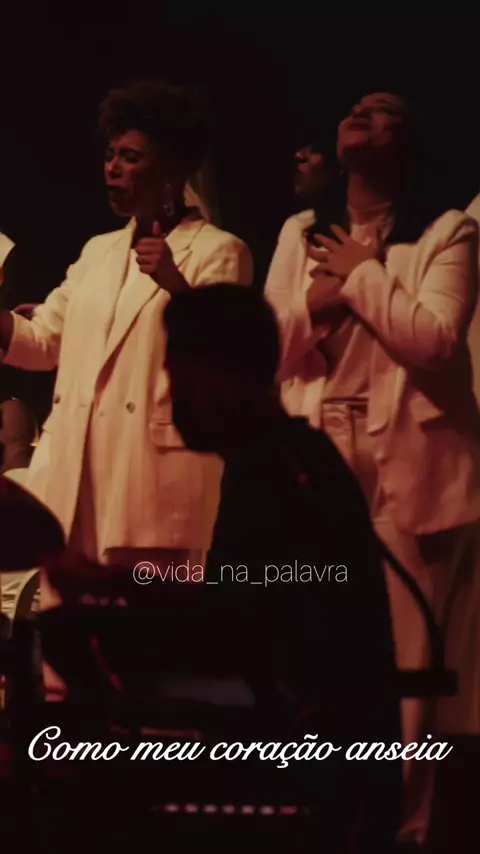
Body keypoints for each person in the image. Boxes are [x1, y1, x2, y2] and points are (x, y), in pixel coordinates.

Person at [265, 91, 480, 848]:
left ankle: (406, 829)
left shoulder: (446, 232)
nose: (363, 111)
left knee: (406, 660)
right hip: (316, 455)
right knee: (317, 644)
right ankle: (324, 814)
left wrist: (361, 275)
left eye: (384, 109)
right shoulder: (301, 231)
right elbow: (270, 343)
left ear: (410, 142)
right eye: (357, 105)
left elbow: (434, 342)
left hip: (402, 465)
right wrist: (324, 303)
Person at [0, 79, 253, 685]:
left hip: (150, 478)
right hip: (74, 477)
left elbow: (227, 355)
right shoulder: (98, 252)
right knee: (67, 666)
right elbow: (43, 342)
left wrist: (178, 287)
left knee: (147, 667)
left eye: (131, 156)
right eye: (111, 154)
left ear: (173, 168)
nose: (112, 168)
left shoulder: (219, 251)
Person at [161, 282, 402, 851]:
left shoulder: (287, 474)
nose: (171, 398)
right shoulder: (275, 461)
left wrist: (145, 609)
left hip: (317, 794)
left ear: (219, 377)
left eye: (179, 379)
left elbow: (283, 610)